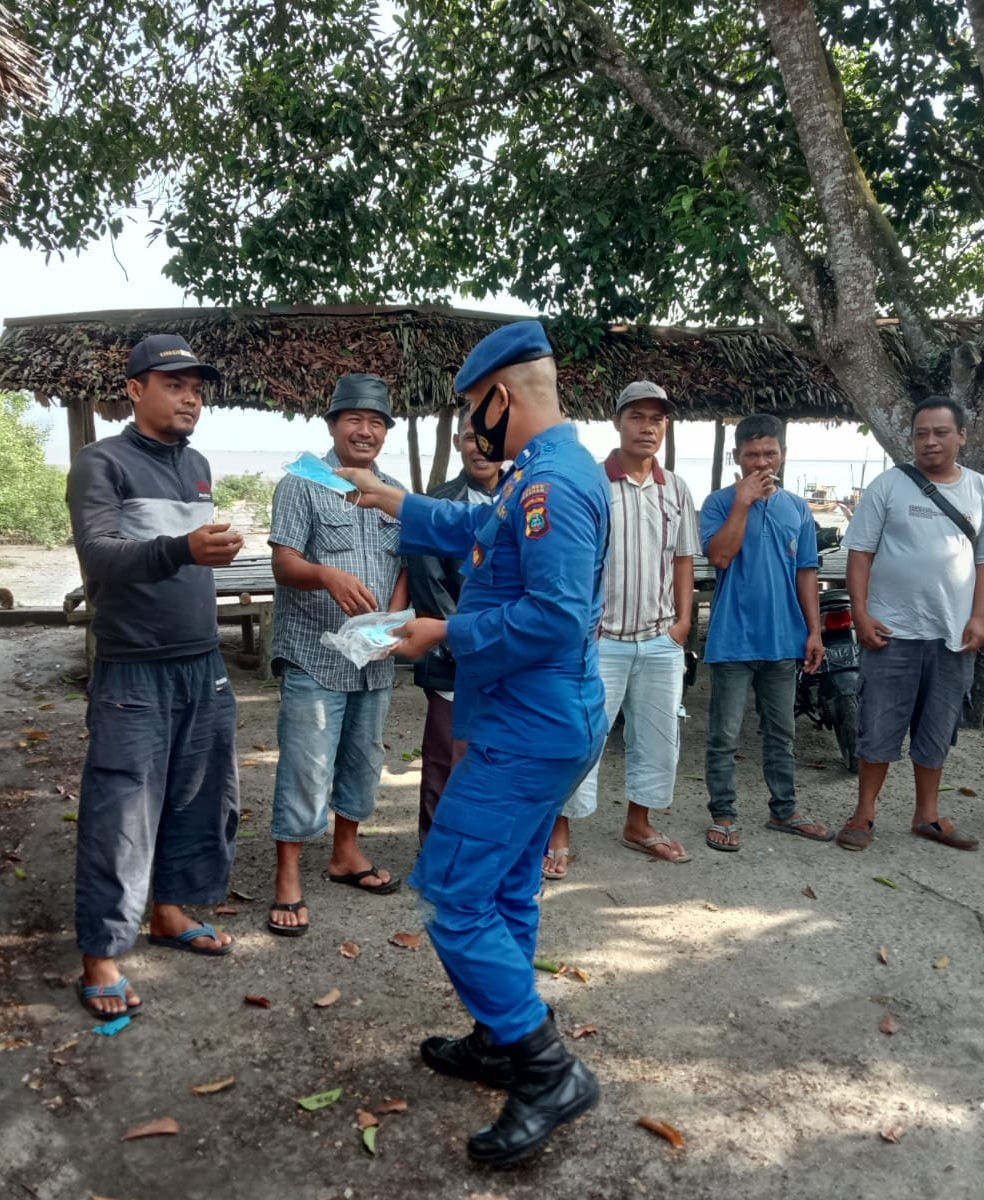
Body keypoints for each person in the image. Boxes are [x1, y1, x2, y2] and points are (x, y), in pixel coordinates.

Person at [336, 320, 609, 1166]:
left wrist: (440, 632)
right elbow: (478, 528)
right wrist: (396, 501)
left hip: (530, 726)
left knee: (455, 898)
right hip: (538, 720)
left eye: (471, 409)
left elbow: (556, 618)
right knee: (509, 888)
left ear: (500, 396)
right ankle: (501, 1036)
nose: (471, 425)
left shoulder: (553, 486)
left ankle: (546, 1067)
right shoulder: (539, 474)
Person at [66, 333, 242, 1017]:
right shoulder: (100, 463)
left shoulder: (196, 464)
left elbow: (185, 557)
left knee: (199, 798)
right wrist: (181, 548)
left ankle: (168, 911)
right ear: (135, 389)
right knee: (121, 810)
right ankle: (101, 953)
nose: (191, 395)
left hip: (202, 660)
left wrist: (206, 550)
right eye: (174, 383)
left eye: (197, 385)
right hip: (134, 668)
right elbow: (101, 553)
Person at [265, 373, 409, 936]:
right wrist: (325, 574)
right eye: (355, 419)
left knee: (363, 760)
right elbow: (283, 563)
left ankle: (345, 853)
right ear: (333, 425)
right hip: (313, 653)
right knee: (306, 765)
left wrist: (391, 624)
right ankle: (287, 878)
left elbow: (404, 567)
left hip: (374, 657)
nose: (365, 430)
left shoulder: (392, 490)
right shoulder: (302, 483)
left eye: (376, 422)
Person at [835, 397, 984, 852]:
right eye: (921, 434)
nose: (929, 441)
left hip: (953, 635)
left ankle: (927, 815)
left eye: (940, 432)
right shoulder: (888, 486)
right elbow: (860, 553)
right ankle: (864, 813)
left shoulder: (981, 491)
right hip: (891, 631)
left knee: (938, 727)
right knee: (878, 723)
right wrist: (861, 612)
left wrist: (979, 617)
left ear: (961, 436)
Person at [544, 380, 697, 877]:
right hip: (599, 639)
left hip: (659, 638)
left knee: (658, 739)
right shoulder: (589, 482)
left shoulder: (675, 488)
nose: (647, 426)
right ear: (616, 421)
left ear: (665, 427)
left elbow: (683, 560)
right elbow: (567, 558)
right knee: (580, 736)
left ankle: (640, 823)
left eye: (657, 418)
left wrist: (683, 623)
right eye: (637, 416)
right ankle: (559, 832)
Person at [699, 414, 827, 853]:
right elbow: (720, 556)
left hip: (783, 639)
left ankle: (785, 809)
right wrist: (743, 502)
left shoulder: (797, 507)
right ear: (737, 456)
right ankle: (724, 814)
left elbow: (806, 572)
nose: (762, 462)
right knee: (724, 734)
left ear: (783, 455)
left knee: (781, 733)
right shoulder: (718, 503)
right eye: (752, 455)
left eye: (770, 453)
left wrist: (814, 631)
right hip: (732, 639)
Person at [407, 416, 501, 842]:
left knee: (502, 759)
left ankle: (492, 850)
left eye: (488, 438)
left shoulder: (528, 498)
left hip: (513, 654)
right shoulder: (438, 503)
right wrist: (464, 640)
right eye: (469, 438)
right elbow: (428, 584)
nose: (479, 447)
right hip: (454, 656)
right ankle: (436, 850)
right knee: (445, 759)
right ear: (457, 442)